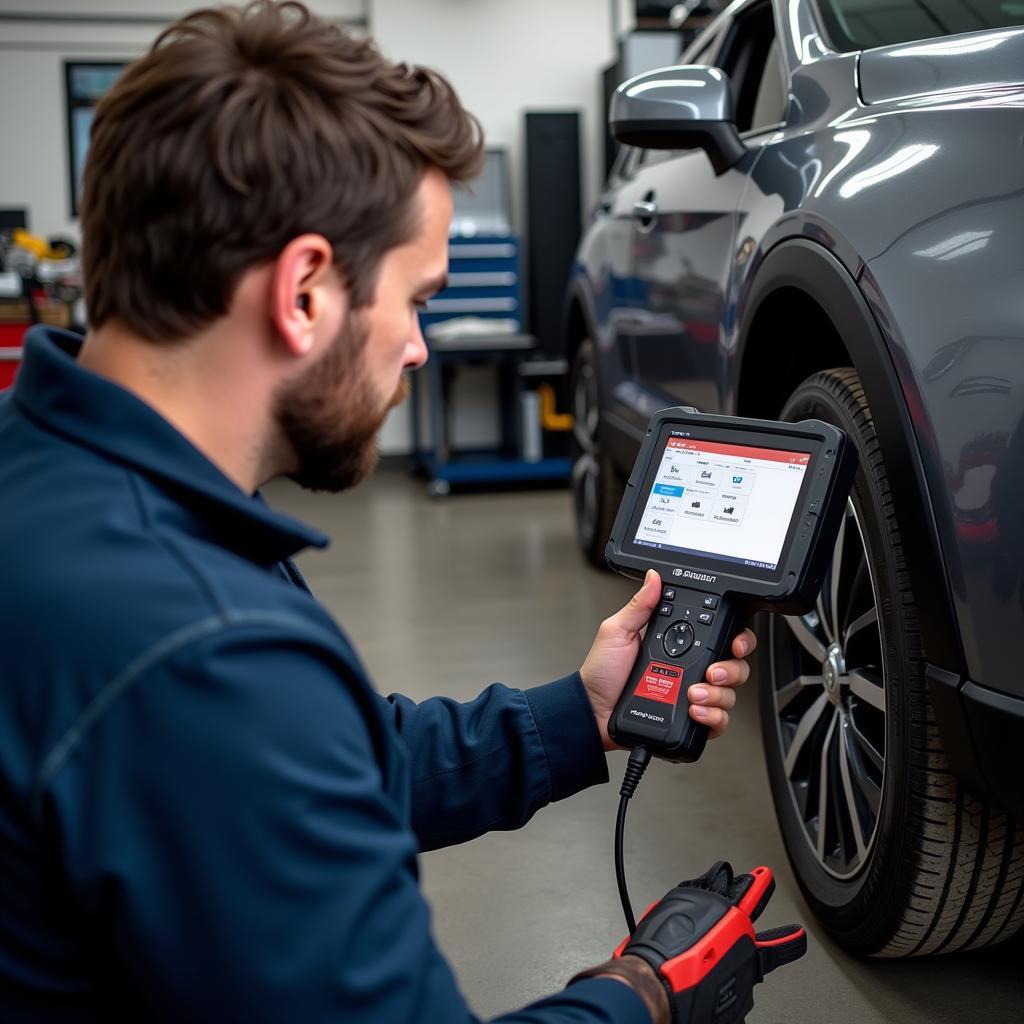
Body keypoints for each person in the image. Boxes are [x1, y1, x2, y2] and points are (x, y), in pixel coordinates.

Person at [0, 3, 761, 1021]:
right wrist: (647, 993)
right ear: (306, 289)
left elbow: (309, 778)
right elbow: (262, 740)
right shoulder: (201, 652)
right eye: (415, 300)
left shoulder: (63, 482)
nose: (418, 347)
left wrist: (581, 710)